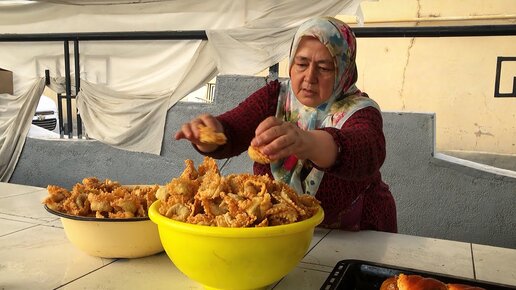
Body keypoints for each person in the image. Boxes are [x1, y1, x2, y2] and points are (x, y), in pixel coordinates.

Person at [174, 16, 397, 233]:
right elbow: (232, 131)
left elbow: (367, 151)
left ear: (344, 70)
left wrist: (306, 142)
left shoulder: (360, 110)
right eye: (301, 63)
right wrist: (210, 135)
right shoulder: (276, 98)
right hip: (288, 233)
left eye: (325, 68)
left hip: (357, 234)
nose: (310, 77)